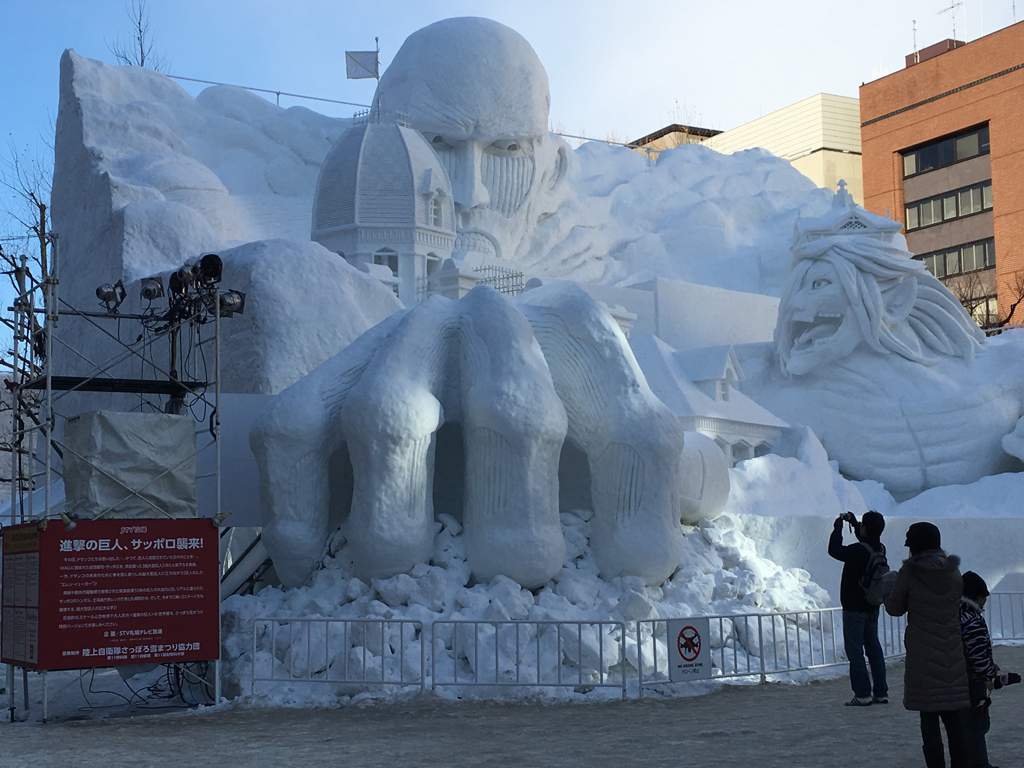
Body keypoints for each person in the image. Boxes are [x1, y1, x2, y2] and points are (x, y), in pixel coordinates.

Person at [885, 521, 970, 768]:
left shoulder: (910, 573)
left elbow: (894, 608)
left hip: (923, 657)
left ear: (914, 547)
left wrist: (888, 587)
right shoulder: (953, 572)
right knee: (955, 722)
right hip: (952, 654)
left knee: (929, 720)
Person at [959, 571, 1021, 768]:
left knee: (966, 726)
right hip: (973, 681)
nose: (985, 603)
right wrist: (990, 674)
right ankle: (980, 764)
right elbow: (977, 654)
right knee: (977, 725)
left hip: (960, 679)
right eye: (984, 598)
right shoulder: (972, 620)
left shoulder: (956, 615)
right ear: (976, 597)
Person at [828, 510, 888, 706]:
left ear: (866, 528)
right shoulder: (880, 548)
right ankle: (881, 692)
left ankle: (862, 694)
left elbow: (834, 550)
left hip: (854, 608)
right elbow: (866, 537)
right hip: (872, 605)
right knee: (874, 648)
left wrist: (838, 527)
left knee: (855, 651)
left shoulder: (857, 551)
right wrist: (855, 523)